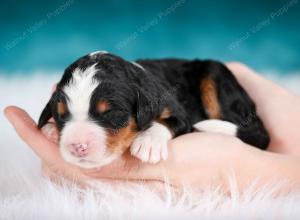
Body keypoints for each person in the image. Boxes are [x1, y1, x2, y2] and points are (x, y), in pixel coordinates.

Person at [4, 62, 300, 193]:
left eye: (110, 115)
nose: (78, 141)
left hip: (201, 77)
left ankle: (246, 133)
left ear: (143, 108)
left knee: (212, 75)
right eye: (65, 116)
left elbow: (177, 118)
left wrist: (158, 131)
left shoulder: (152, 97)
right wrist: (53, 128)